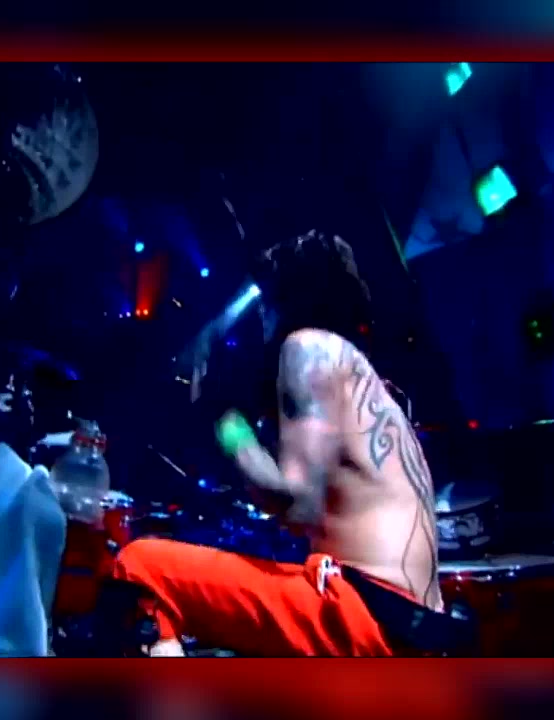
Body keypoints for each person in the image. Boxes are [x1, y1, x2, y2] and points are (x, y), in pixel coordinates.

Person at [112, 229, 442, 656]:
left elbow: (295, 502)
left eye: (264, 302)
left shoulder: (307, 348)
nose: (261, 318)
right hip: (411, 619)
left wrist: (227, 422)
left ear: (284, 300)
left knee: (141, 564)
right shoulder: (370, 383)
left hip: (365, 613)